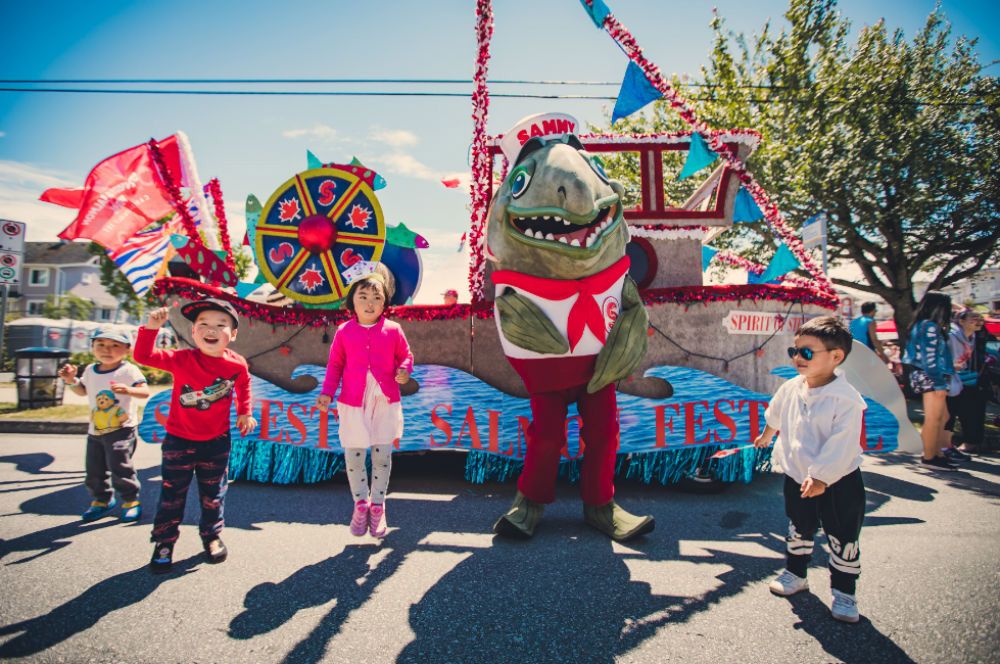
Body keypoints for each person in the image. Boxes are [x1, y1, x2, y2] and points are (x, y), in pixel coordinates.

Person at [754, 315, 867, 623]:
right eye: (795, 351)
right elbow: (775, 411)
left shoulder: (846, 400)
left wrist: (821, 476)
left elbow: (842, 444)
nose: (798, 358)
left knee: (842, 534)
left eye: (807, 352)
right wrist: (767, 434)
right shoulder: (792, 387)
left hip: (838, 480)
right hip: (797, 474)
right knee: (799, 524)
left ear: (836, 357)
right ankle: (796, 573)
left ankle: (844, 593)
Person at [133, 298, 257, 573]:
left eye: (220, 325)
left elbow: (244, 386)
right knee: (171, 496)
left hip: (216, 442)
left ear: (233, 334)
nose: (211, 330)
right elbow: (143, 357)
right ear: (193, 332)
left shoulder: (237, 365)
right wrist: (151, 327)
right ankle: (164, 542)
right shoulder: (182, 359)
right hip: (179, 441)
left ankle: (211, 536)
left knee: (213, 495)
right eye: (203, 324)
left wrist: (245, 412)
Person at [317, 272, 413, 538]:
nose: (370, 303)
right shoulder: (344, 331)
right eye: (363, 297)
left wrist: (404, 369)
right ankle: (361, 504)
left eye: (376, 298)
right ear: (352, 302)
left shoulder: (393, 330)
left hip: (384, 401)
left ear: (384, 303)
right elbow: (335, 365)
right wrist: (327, 392)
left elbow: (406, 356)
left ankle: (379, 507)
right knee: (355, 456)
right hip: (353, 402)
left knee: (382, 457)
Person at [58, 328, 150, 523]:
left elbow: (144, 392)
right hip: (96, 431)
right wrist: (70, 380)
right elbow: (83, 391)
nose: (106, 350)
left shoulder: (128, 370)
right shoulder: (90, 370)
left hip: (122, 431)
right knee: (94, 470)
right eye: (101, 345)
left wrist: (128, 390)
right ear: (93, 347)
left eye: (114, 345)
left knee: (121, 468)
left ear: (127, 350)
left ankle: (130, 501)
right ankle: (101, 500)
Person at [902, 291, 957, 470]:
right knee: (935, 418)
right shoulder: (930, 327)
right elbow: (930, 357)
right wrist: (938, 381)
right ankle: (930, 457)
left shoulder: (922, 325)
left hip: (928, 375)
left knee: (941, 417)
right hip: (932, 376)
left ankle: (936, 453)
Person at [944, 309, 986, 456]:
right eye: (974, 317)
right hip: (948, 380)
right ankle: (943, 446)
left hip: (965, 379)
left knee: (966, 412)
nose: (979, 321)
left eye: (981, 318)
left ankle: (963, 445)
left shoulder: (974, 336)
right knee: (947, 414)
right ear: (961, 321)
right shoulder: (952, 336)